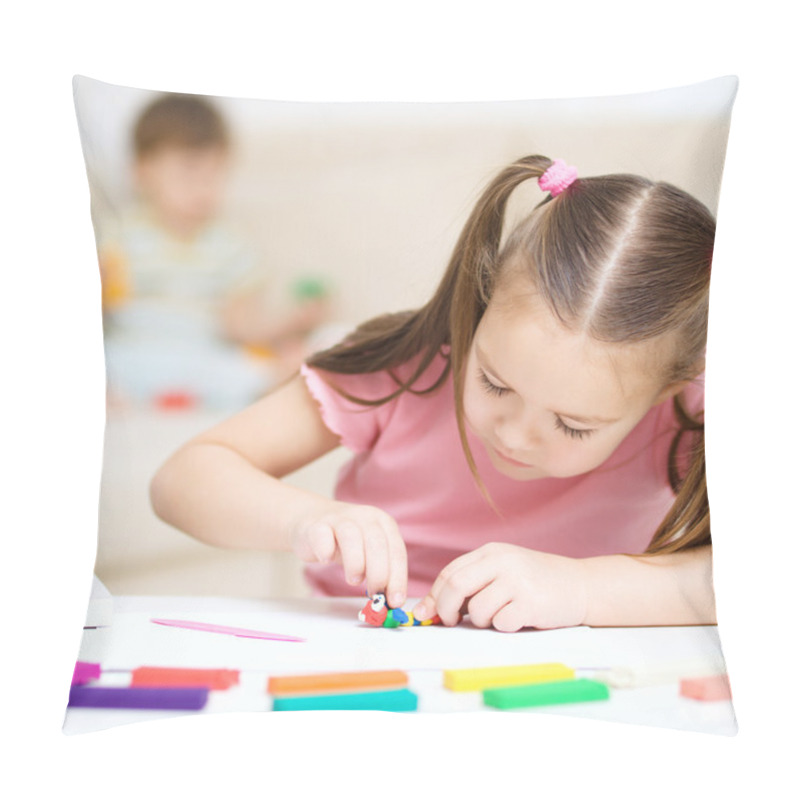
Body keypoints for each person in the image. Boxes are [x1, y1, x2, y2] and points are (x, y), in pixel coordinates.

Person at [150, 154, 716, 631]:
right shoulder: (411, 366)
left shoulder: (694, 412)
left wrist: (584, 588)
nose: (515, 433)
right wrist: (306, 518)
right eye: (494, 381)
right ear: (484, 297)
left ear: (672, 383)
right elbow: (182, 480)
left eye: (573, 424)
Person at [99, 92, 329, 407]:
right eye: (189, 173)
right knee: (106, 363)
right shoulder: (120, 235)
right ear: (142, 172)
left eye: (214, 176)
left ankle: (272, 381)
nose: (203, 190)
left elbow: (238, 324)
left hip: (201, 355)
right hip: (135, 352)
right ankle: (122, 397)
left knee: (245, 370)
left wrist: (290, 322)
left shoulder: (229, 245)